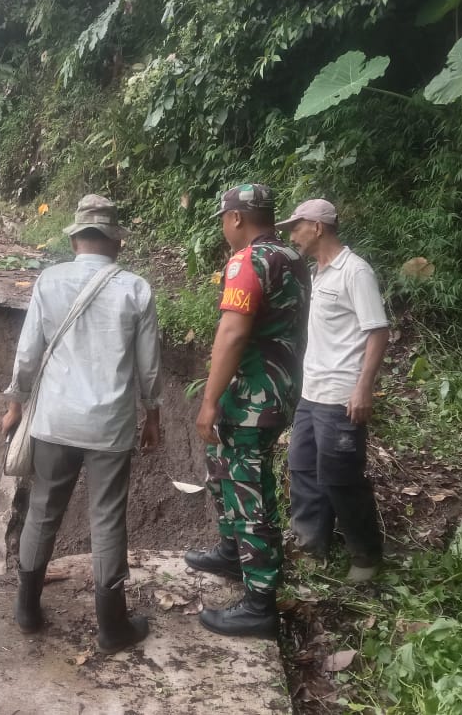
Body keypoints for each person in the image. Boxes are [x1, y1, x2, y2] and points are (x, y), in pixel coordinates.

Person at [1, 193, 162, 654]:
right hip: (110, 425)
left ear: (75, 238)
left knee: (44, 510)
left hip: (53, 420)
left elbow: (28, 352)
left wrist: (15, 404)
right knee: (107, 519)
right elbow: (148, 366)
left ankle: (27, 610)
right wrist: (153, 414)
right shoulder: (136, 289)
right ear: (117, 243)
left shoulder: (49, 281)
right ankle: (112, 627)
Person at [185, 183, 310, 639]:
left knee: (249, 488)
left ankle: (260, 605)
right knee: (224, 469)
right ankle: (230, 552)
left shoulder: (247, 261)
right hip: (278, 389)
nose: (223, 228)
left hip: (253, 397)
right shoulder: (294, 257)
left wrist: (209, 400)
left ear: (237, 218)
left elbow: (233, 334)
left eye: (223, 219)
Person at [275, 198, 389, 582]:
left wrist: (363, 388)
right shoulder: (318, 272)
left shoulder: (354, 272)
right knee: (302, 466)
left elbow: (377, 330)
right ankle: (311, 545)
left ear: (318, 227)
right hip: (313, 393)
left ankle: (366, 557)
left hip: (341, 395)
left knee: (342, 478)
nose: (292, 235)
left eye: (296, 227)